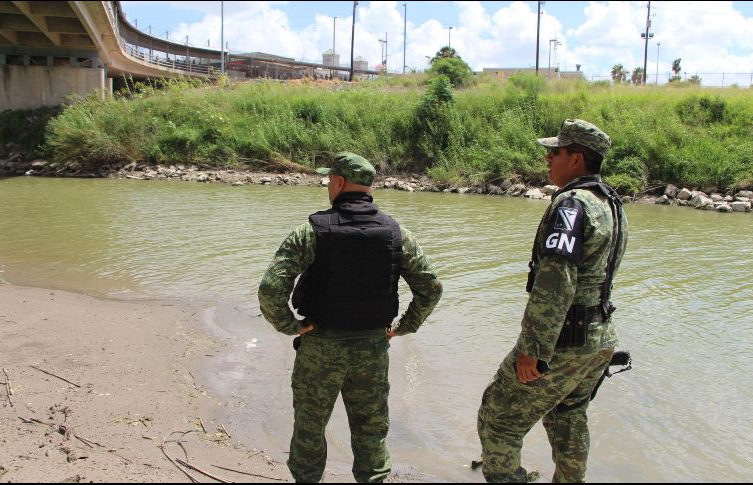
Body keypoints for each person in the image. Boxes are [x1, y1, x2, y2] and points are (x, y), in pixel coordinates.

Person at [258, 152, 443, 483]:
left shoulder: (311, 231)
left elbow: (271, 288)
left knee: (310, 428)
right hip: (372, 350)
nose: (328, 185)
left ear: (340, 182)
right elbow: (431, 289)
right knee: (370, 431)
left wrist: (290, 325)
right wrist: (403, 327)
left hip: (320, 347)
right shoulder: (397, 234)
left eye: (329, 179)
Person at [477, 119, 629, 483]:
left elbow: (556, 280)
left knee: (499, 420)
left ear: (576, 159)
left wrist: (534, 348)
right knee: (568, 415)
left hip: (564, 340)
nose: (547, 158)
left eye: (555, 152)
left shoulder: (571, 205)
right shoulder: (610, 203)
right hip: (599, 337)